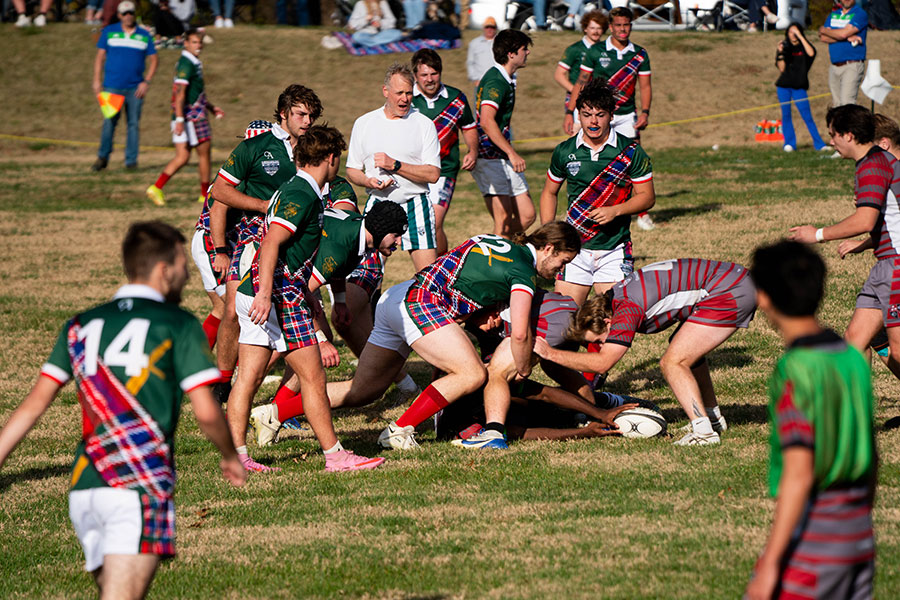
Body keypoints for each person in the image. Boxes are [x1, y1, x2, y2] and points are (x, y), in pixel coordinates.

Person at [0, 221, 246, 599]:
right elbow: (207, 411)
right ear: (165, 270)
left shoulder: (80, 324)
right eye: (183, 265)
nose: (187, 274)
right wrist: (230, 456)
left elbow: (33, 406)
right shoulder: (178, 324)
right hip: (137, 485)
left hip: (85, 489)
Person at [235, 125, 386, 473]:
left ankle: (239, 457)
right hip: (279, 296)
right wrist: (264, 293)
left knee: (250, 378)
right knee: (313, 379)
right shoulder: (301, 193)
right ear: (331, 159)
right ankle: (335, 456)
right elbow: (272, 242)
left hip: (273, 292)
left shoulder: (296, 190)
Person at [745, 240, 876, 600]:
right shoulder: (850, 358)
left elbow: (800, 472)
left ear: (764, 298)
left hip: (816, 539)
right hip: (859, 534)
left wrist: (770, 564)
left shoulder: (796, 370)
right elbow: (871, 454)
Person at [377, 222, 581, 450]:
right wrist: (524, 368)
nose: (560, 270)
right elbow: (521, 334)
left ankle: (333, 444)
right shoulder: (523, 271)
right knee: (471, 373)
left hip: (399, 293)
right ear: (549, 248)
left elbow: (464, 277)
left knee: (363, 391)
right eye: (563, 261)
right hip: (419, 301)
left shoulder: (496, 241)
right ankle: (400, 429)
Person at [534, 258, 757, 446]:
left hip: (729, 290)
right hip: (733, 282)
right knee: (688, 354)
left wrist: (550, 354)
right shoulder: (617, 294)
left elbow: (603, 363)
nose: (601, 344)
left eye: (600, 340)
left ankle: (704, 432)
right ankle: (712, 418)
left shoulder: (626, 308)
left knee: (673, 362)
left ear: (607, 322)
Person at [247, 203, 410, 447]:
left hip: (280, 276)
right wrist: (320, 340)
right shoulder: (343, 245)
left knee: (286, 356)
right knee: (271, 357)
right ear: (380, 229)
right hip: (266, 278)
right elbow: (299, 293)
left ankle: (268, 413)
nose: (398, 242)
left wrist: (341, 301)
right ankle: (251, 413)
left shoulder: (358, 234)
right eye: (396, 235)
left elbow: (337, 270)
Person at [208, 85, 322, 405]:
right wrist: (261, 206)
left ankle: (276, 390)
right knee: (233, 310)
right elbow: (219, 192)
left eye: (311, 115)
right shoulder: (255, 147)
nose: (307, 121)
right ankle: (223, 382)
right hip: (252, 237)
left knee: (291, 309)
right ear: (283, 113)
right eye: (301, 114)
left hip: (297, 240)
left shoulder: (312, 148)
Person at [791, 106, 900, 380]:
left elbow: (865, 219)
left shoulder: (874, 166)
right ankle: (858, 417)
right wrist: (866, 244)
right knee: (855, 341)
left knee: (897, 351)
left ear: (849, 135)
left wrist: (817, 234)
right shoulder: (878, 161)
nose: (831, 141)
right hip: (884, 266)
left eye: (833, 135)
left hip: (896, 266)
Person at [540, 78, 655, 306]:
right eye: (586, 114)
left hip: (614, 248)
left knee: (613, 318)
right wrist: (549, 232)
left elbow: (647, 197)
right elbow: (549, 193)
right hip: (574, 250)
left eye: (600, 115)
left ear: (611, 116)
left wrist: (616, 211)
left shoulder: (630, 151)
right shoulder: (565, 151)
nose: (593, 121)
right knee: (563, 319)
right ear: (578, 116)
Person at [346, 63, 441, 272]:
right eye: (399, 93)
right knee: (363, 278)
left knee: (429, 278)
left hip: (416, 204)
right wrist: (368, 181)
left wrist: (395, 165)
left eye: (409, 93)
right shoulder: (365, 123)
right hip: (379, 203)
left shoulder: (424, 124)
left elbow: (433, 174)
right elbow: (352, 169)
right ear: (385, 91)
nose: (404, 99)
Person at [567, 7, 654, 231]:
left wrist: (645, 112)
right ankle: (585, 209)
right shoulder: (596, 51)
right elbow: (581, 82)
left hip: (626, 116)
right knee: (590, 161)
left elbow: (645, 85)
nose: (623, 29)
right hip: (598, 115)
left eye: (626, 25)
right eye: (618, 25)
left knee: (632, 163)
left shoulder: (639, 54)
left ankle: (641, 214)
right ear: (611, 27)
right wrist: (571, 112)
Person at [146, 29, 225, 207]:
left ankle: (156, 187)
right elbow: (180, 94)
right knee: (204, 154)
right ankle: (204, 195)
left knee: (182, 157)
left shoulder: (190, 62)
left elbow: (194, 93)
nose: (199, 46)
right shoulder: (187, 63)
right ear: (186, 43)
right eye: (195, 42)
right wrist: (180, 119)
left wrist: (211, 107)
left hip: (187, 115)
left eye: (200, 42)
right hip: (193, 117)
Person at [411, 49, 478, 255]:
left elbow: (468, 126)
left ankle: (439, 267)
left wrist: (472, 151)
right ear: (415, 76)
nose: (430, 79)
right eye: (424, 75)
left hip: (444, 170)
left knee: (434, 221)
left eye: (434, 74)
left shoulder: (456, 98)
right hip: (411, 169)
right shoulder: (406, 100)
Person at [472, 29, 536, 238]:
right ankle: (497, 260)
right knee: (503, 221)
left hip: (502, 155)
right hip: (490, 157)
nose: (527, 53)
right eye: (523, 49)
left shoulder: (507, 78)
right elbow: (486, 121)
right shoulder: (495, 81)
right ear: (511, 53)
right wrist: (511, 152)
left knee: (527, 216)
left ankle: (507, 247)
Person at [91, 1, 159, 172]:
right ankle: (102, 157)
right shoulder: (109, 31)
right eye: (125, 13)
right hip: (112, 87)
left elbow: (154, 59)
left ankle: (131, 161)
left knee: (133, 124)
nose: (128, 15)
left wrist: (146, 81)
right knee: (109, 123)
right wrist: (96, 81)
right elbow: (100, 57)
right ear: (119, 15)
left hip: (135, 88)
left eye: (131, 12)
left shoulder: (144, 34)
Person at [775, 23, 827, 153]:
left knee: (807, 116)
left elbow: (811, 53)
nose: (793, 35)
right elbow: (781, 68)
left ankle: (819, 144)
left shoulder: (804, 47)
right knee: (786, 115)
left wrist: (800, 36)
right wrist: (780, 53)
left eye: (796, 32)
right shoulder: (785, 47)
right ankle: (789, 143)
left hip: (799, 86)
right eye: (790, 32)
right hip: (784, 86)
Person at [554, 11, 608, 135]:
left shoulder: (606, 49)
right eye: (592, 28)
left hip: (599, 98)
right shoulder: (575, 49)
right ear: (585, 28)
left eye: (599, 28)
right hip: (577, 98)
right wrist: (576, 90)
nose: (595, 31)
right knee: (577, 134)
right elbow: (559, 74)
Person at [818, 0, 868, 108]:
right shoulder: (833, 15)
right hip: (834, 66)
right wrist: (846, 37)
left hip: (852, 64)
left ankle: (852, 125)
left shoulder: (860, 13)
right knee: (836, 105)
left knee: (847, 104)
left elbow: (843, 34)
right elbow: (823, 37)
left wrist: (825, 30)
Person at [467, 17, 497, 92]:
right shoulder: (474, 43)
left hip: (498, 82)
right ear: (483, 28)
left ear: (495, 29)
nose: (489, 29)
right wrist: (475, 79)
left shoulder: (501, 43)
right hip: (480, 82)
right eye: (487, 27)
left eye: (492, 27)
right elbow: (470, 62)